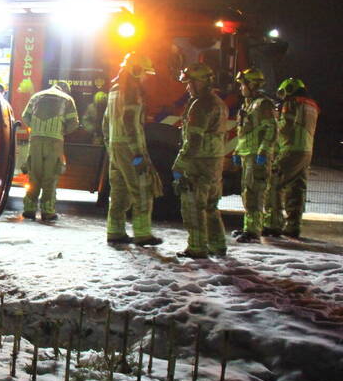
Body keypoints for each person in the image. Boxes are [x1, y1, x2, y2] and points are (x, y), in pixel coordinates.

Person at [103, 53, 163, 245]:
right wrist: (138, 153)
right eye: (144, 72)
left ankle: (115, 231)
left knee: (119, 191)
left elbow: (105, 122)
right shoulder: (131, 92)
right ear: (135, 70)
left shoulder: (114, 90)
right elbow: (131, 124)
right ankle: (143, 234)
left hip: (115, 147)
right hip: (130, 149)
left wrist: (110, 146)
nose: (145, 77)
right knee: (142, 190)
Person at [172, 62, 228, 258]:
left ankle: (196, 247)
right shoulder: (218, 102)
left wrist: (179, 165)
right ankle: (218, 244)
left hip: (198, 162)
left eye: (190, 83)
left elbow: (194, 140)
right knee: (211, 206)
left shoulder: (200, 105)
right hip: (214, 161)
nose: (187, 87)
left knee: (193, 206)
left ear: (199, 82)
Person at [265, 77, 319, 238]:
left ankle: (273, 224)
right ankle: (293, 226)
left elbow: (285, 127)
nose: (282, 97)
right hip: (306, 151)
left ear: (289, 89)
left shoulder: (292, 103)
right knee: (296, 189)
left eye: (283, 92)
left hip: (290, 149)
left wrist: (275, 120)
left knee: (274, 183)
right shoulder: (312, 105)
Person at [20, 80, 79, 221]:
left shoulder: (37, 96)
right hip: (54, 142)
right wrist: (61, 131)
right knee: (50, 176)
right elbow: (74, 123)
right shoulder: (67, 99)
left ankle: (29, 209)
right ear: (65, 89)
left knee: (34, 175)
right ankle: (47, 212)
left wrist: (35, 128)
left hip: (35, 140)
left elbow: (25, 116)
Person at [231, 68, 277, 243]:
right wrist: (237, 151)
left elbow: (271, 129)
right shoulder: (247, 104)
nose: (241, 88)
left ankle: (253, 231)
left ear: (252, 84)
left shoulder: (263, 104)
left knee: (255, 193)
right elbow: (243, 132)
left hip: (257, 156)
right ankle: (248, 228)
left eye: (243, 84)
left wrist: (264, 152)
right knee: (247, 193)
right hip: (247, 154)